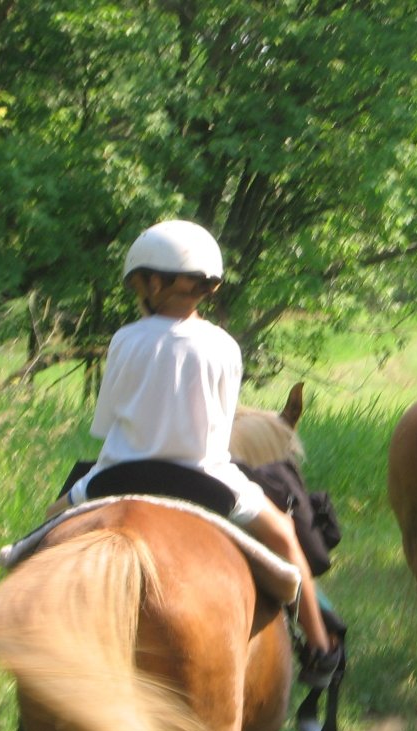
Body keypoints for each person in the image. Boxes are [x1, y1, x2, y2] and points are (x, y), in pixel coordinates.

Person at [45, 220, 340, 686]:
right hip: (206, 479)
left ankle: (33, 664)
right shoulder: (224, 345)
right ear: (205, 286)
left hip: (118, 477)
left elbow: (105, 425)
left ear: (154, 282)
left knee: (43, 534)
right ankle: (321, 648)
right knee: (284, 536)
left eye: (140, 281)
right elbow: (221, 428)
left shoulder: (124, 340)